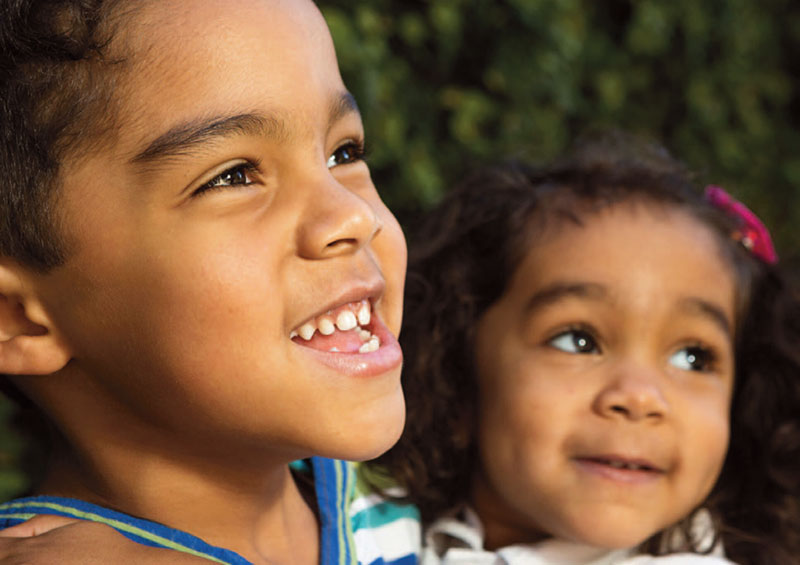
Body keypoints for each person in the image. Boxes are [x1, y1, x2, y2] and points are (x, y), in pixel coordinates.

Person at [0, 0, 419, 563]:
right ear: (18, 318)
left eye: (342, 152)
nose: (353, 216)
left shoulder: (398, 496)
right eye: (233, 177)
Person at [367, 132, 800, 564]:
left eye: (693, 357)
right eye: (579, 341)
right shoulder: (365, 522)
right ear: (458, 376)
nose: (640, 397)